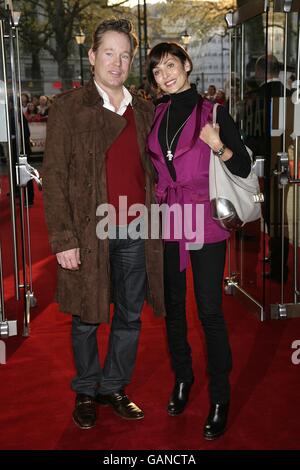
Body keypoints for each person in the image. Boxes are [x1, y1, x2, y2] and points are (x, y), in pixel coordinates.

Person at [42, 18, 164, 430]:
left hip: (135, 230)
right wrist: (63, 238)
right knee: (87, 315)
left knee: (130, 315)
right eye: (108, 52)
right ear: (92, 56)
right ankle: (86, 388)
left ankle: (113, 386)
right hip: (89, 231)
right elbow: (54, 176)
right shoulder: (69, 108)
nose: (117, 62)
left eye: (125, 54)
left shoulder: (144, 109)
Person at [146, 42, 251, 440]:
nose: (165, 76)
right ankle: (183, 378)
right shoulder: (156, 113)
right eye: (157, 72)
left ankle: (220, 396)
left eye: (170, 65)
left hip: (205, 219)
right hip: (170, 217)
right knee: (174, 308)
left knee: (209, 310)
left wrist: (218, 145)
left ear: (186, 64)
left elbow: (241, 164)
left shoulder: (215, 112)